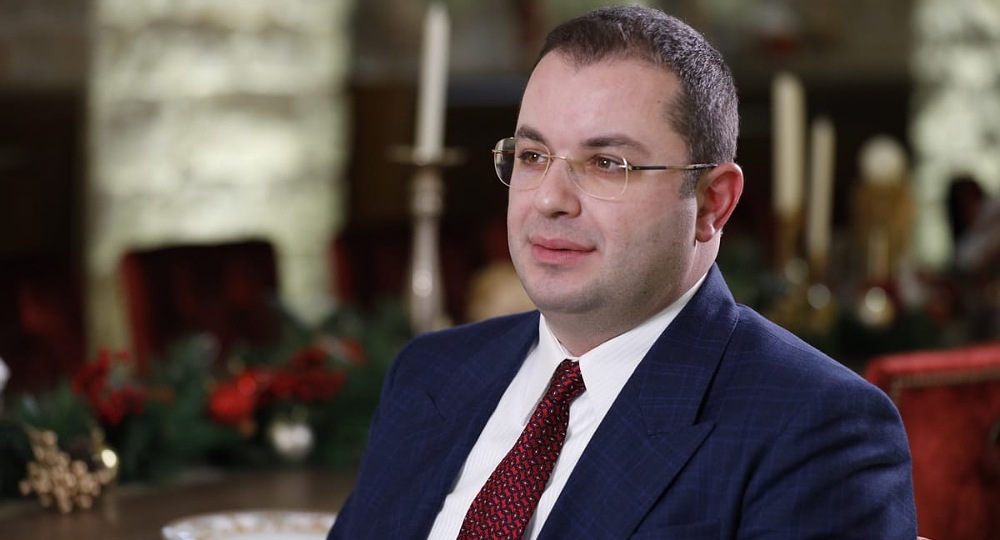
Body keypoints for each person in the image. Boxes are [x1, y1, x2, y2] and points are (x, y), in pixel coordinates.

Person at [329, 5, 916, 539]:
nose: (549, 199)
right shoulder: (430, 372)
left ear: (712, 203)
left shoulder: (815, 428)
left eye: (607, 164)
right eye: (532, 156)